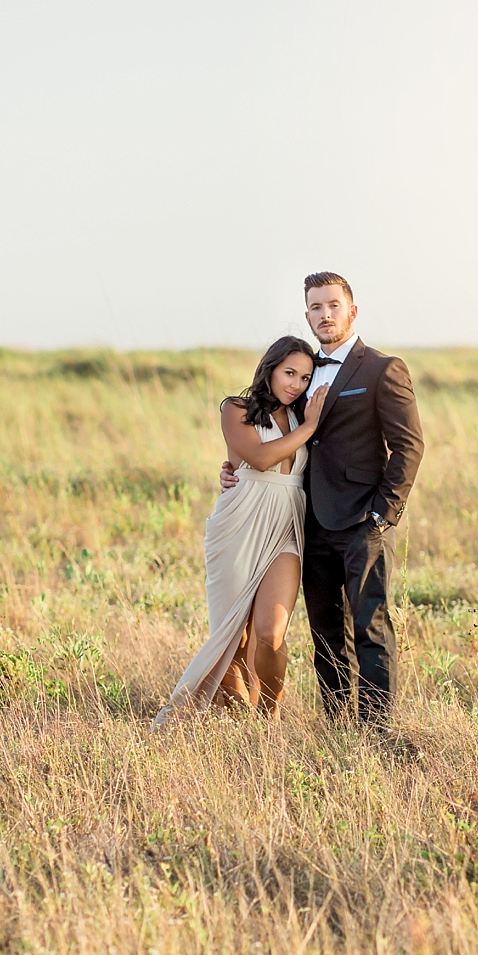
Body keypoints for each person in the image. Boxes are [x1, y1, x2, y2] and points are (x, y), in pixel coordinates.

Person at [219, 272, 425, 723]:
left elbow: (409, 446)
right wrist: (234, 467)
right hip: (306, 522)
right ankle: (337, 723)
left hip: (363, 521)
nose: (325, 314)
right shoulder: (301, 371)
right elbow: (274, 435)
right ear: (307, 315)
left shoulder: (382, 368)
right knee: (326, 631)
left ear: (353, 311)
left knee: (370, 625)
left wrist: (383, 514)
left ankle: (375, 727)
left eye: (333, 305)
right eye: (316, 307)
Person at [153, 336, 327, 725]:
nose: (296, 384)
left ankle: (269, 720)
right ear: (270, 369)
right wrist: (311, 426)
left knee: (271, 632)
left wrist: (310, 422)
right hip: (238, 524)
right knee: (234, 637)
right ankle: (237, 717)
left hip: (285, 526)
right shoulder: (235, 409)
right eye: (289, 373)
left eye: (304, 378)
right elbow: (261, 458)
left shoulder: (302, 414)